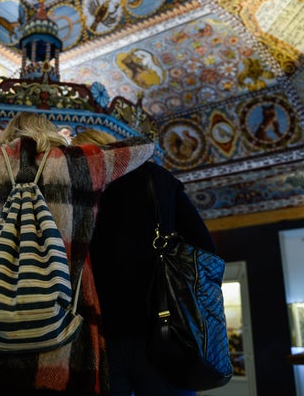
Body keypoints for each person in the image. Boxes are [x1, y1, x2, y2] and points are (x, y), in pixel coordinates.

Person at [0, 112, 155, 396]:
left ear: (7, 132)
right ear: (54, 132)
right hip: (66, 339)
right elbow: (144, 147)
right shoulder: (82, 162)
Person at [74, 128, 216, 396]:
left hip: (100, 336)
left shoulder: (81, 187)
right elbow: (205, 248)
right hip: (165, 330)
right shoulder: (158, 179)